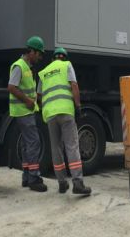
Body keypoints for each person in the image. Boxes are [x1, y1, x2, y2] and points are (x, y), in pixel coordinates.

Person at [38, 47, 91, 195]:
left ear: (53, 59)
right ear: (64, 57)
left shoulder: (43, 72)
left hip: (50, 114)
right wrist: (78, 106)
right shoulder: (67, 65)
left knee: (56, 148)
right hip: (66, 112)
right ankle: (78, 183)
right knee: (72, 146)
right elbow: (74, 85)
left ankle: (62, 183)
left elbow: (39, 96)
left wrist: (45, 109)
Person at [7, 36, 47, 192]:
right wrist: (28, 101)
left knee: (26, 144)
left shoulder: (27, 67)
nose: (40, 57)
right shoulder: (19, 66)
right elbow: (11, 87)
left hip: (25, 111)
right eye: (39, 54)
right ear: (31, 51)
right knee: (34, 143)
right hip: (23, 111)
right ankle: (34, 178)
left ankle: (26, 177)